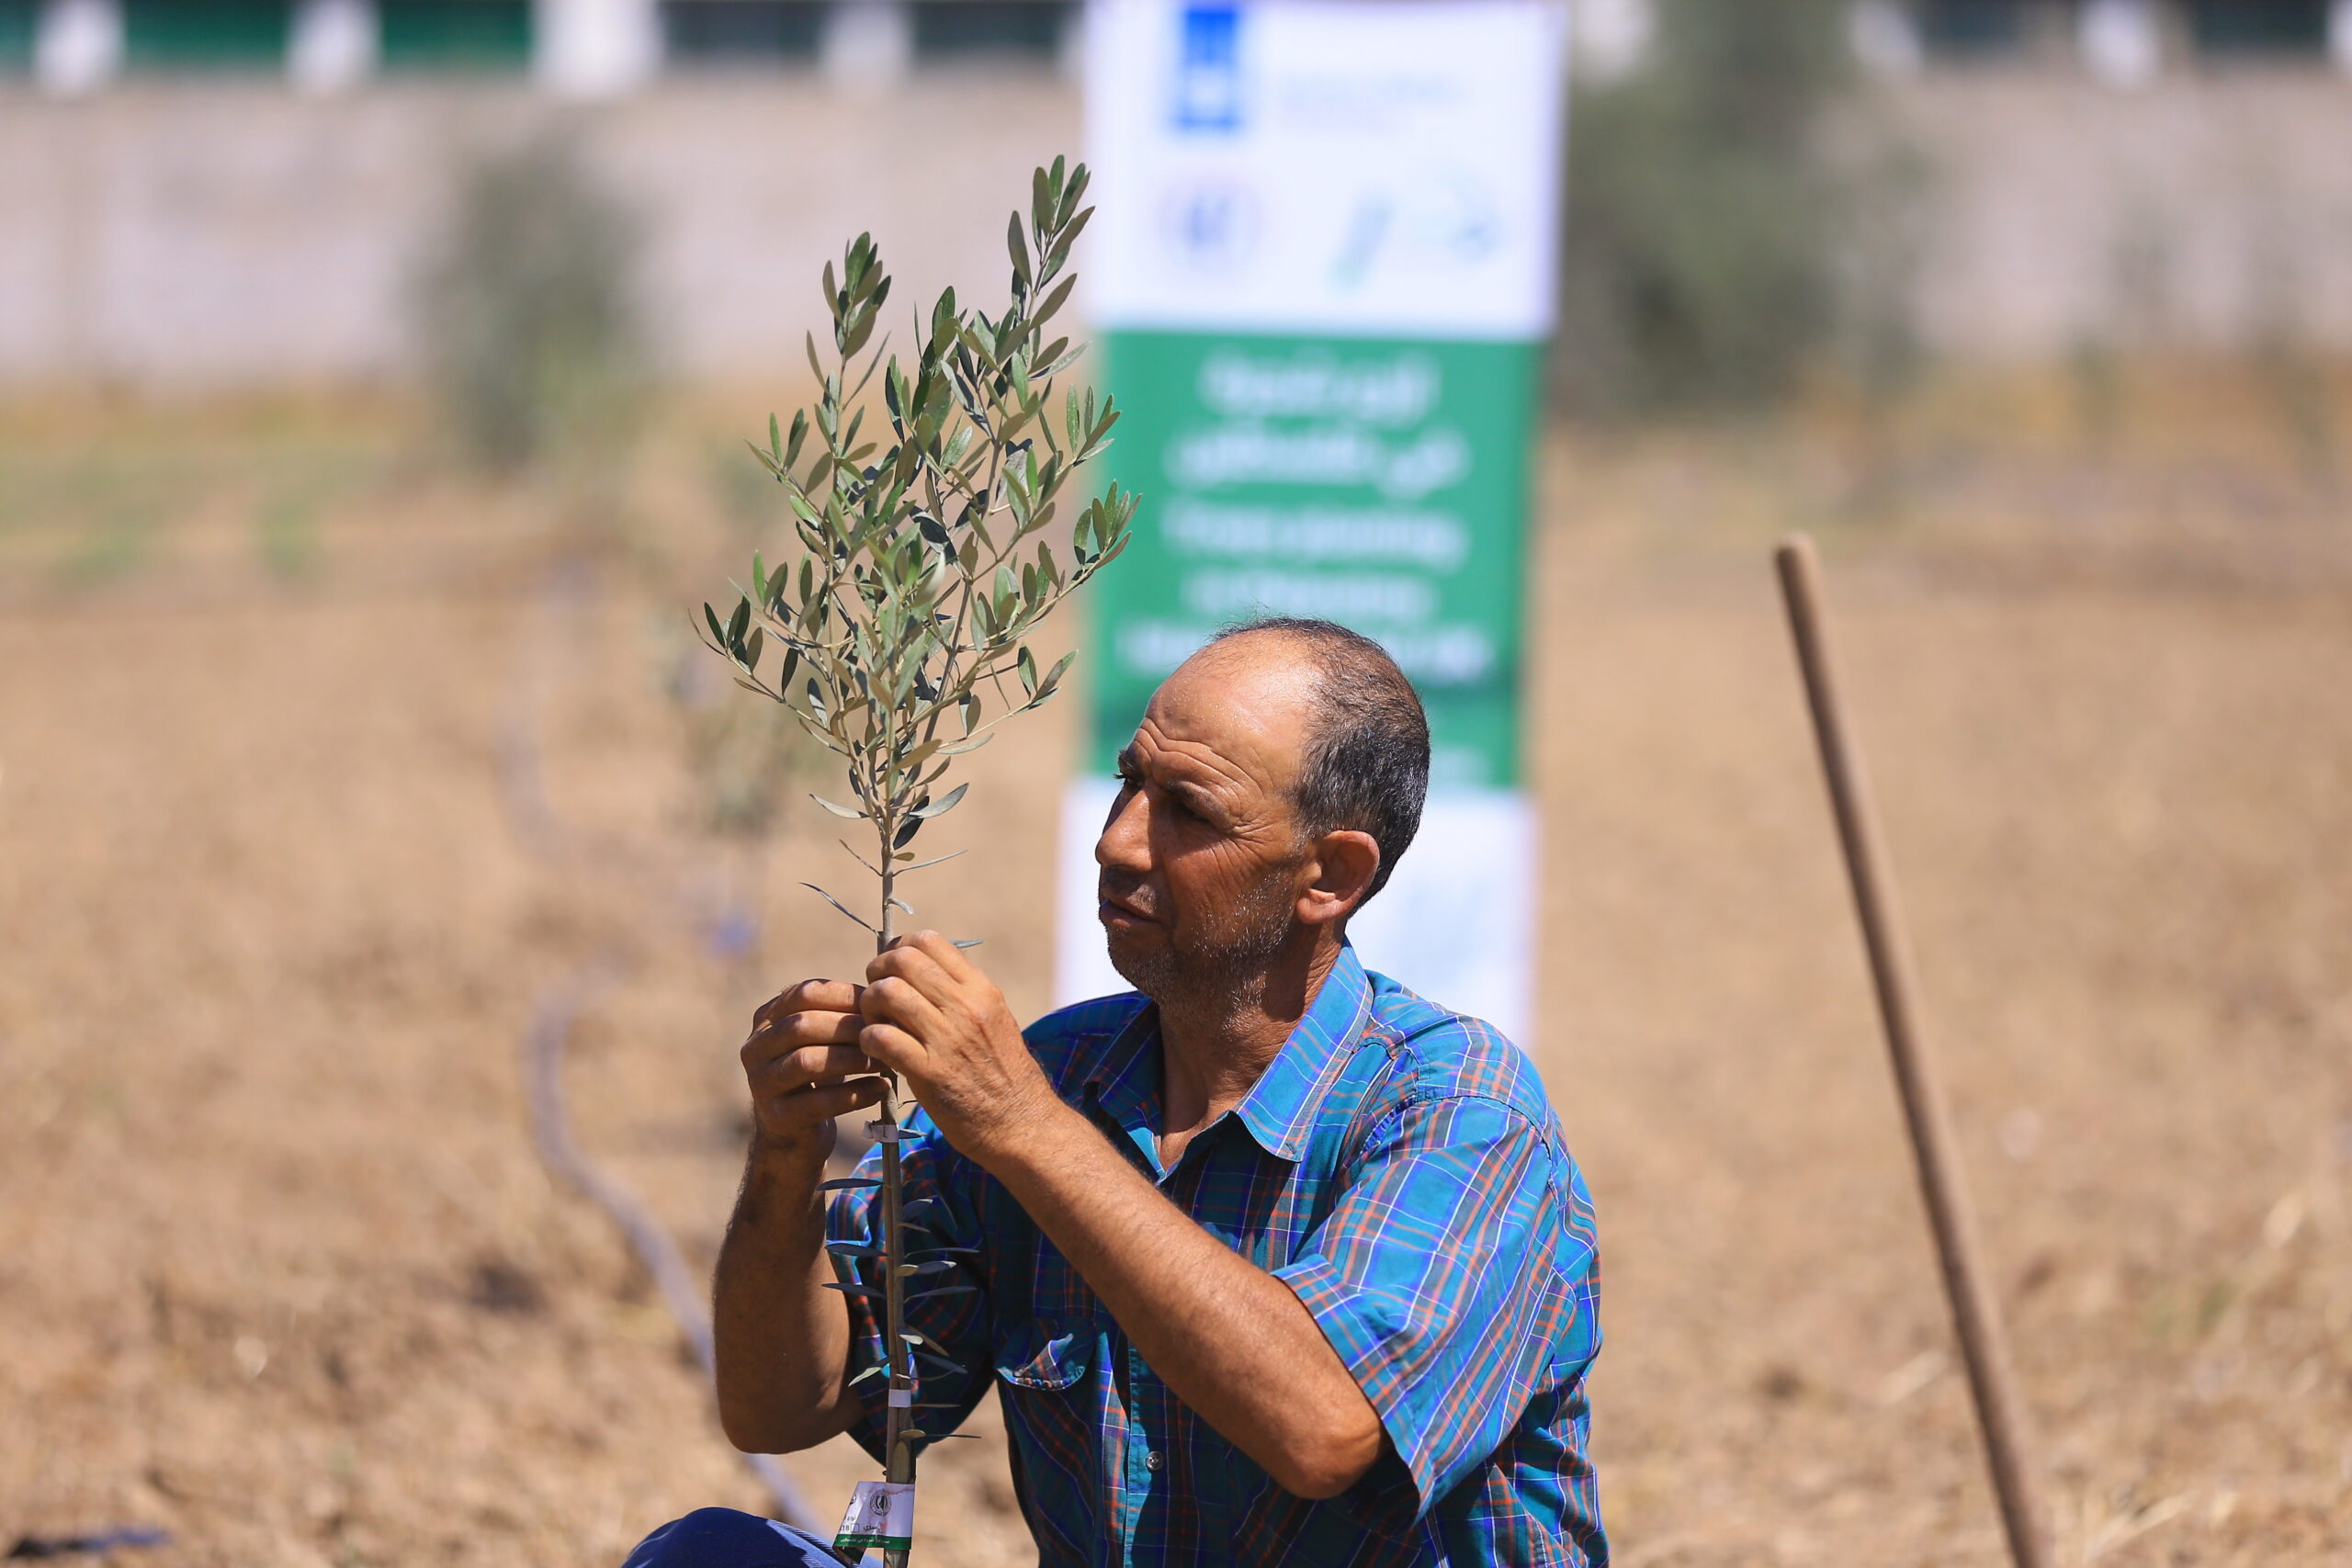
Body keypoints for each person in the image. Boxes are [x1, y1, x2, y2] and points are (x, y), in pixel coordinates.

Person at [626, 617, 1604, 1566]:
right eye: (1130, 781)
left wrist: (1024, 1127)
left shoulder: (1460, 1111)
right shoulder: (1069, 1071)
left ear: (1330, 876)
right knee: (709, 1557)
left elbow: (1324, 1427)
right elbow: (782, 1407)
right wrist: (786, 1156)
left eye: (1190, 811)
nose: (1120, 842)